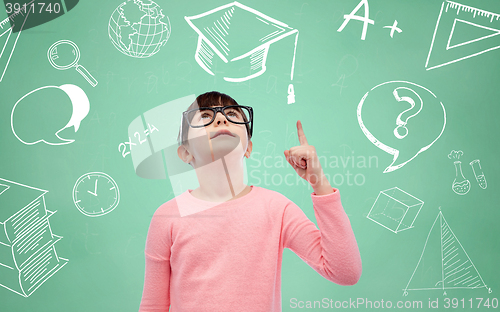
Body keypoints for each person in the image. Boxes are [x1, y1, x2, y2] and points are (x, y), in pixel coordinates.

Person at [139, 91, 362, 312]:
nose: (221, 118)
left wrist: (319, 182)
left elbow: (345, 272)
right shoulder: (168, 216)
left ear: (248, 148)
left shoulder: (277, 209)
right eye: (205, 116)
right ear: (186, 153)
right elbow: (153, 305)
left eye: (233, 114)